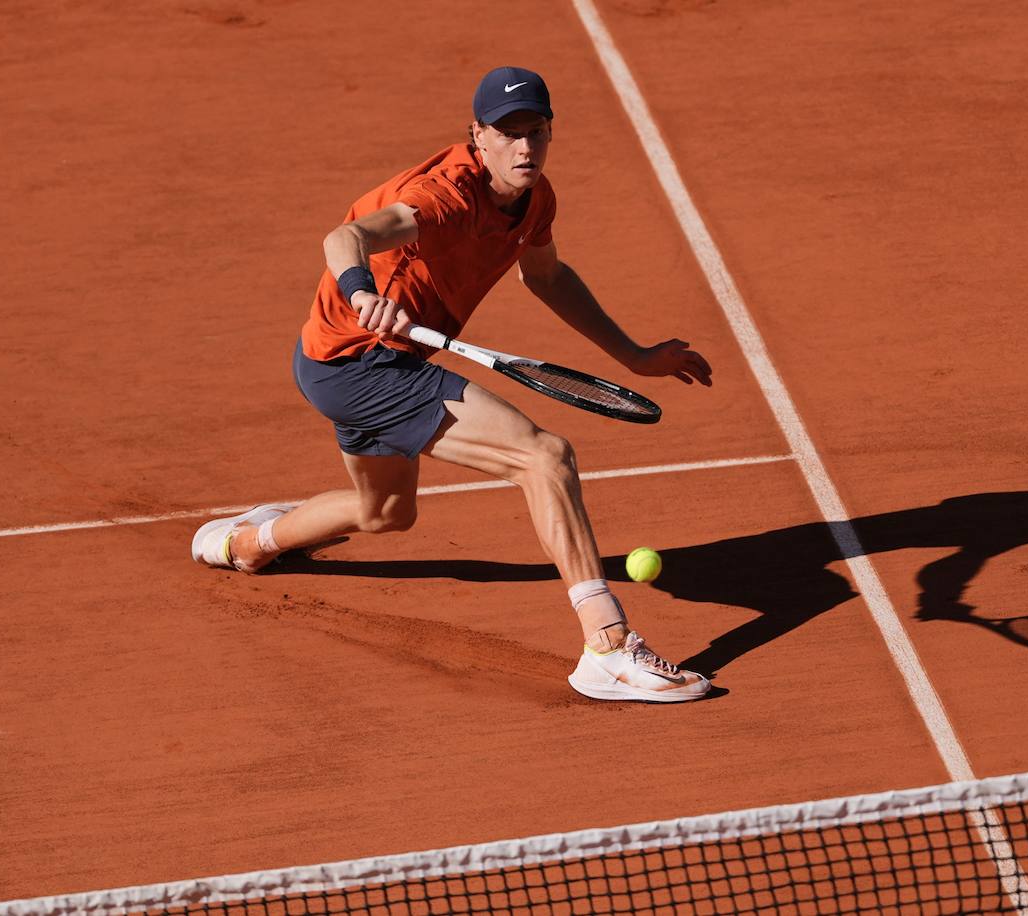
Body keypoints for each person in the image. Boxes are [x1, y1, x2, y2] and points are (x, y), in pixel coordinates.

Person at [191, 66, 713, 703]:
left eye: (538, 132)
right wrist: (362, 293)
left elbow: (546, 277)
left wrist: (632, 355)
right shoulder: (444, 198)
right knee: (544, 456)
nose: (525, 147)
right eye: (509, 132)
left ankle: (248, 544)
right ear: (478, 135)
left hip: (362, 363)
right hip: (358, 360)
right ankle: (605, 645)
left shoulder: (536, 197)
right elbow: (345, 236)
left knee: (385, 513)